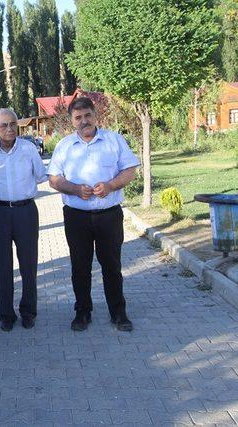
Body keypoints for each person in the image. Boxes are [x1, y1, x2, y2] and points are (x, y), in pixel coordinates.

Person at [48, 97, 140, 332]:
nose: (84, 121)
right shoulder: (64, 146)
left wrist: (110, 186)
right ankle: (82, 312)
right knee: (80, 266)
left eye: (87, 115)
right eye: (78, 117)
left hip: (109, 215)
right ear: (71, 121)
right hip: (76, 216)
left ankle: (118, 312)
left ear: (95, 115)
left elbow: (130, 171)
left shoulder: (113, 140)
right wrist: (76, 189)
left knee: (111, 265)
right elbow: (54, 179)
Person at [0, 108, 47, 332]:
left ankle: (29, 312)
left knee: (28, 264)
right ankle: (6, 315)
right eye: (3, 125)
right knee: (1, 266)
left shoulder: (28, 149)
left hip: (25, 211)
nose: (9, 129)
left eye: (12, 124)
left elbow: (40, 176)